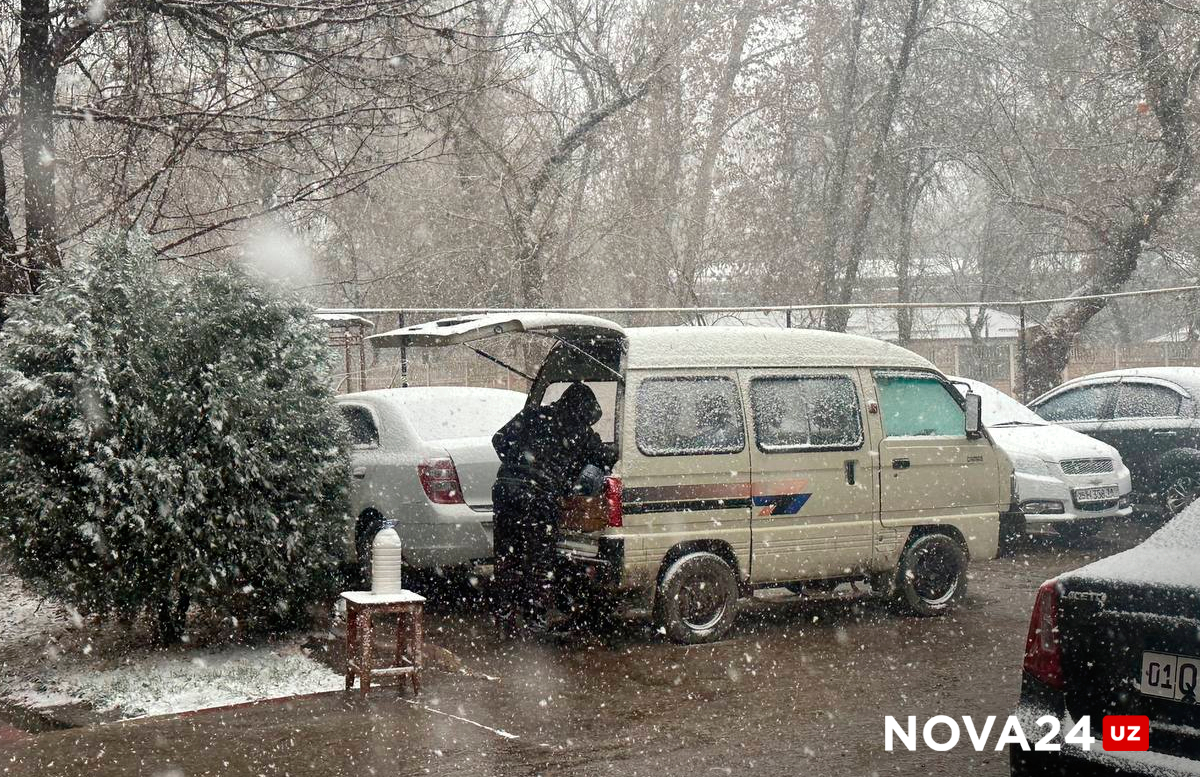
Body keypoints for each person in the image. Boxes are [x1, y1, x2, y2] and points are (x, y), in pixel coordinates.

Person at [491, 382, 611, 629]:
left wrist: (518, 463)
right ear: (586, 411)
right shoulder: (583, 433)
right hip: (540, 496)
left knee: (507, 554)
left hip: (506, 490)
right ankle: (534, 616)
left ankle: (504, 611)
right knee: (539, 559)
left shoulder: (533, 414)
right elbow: (606, 459)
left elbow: (499, 439)